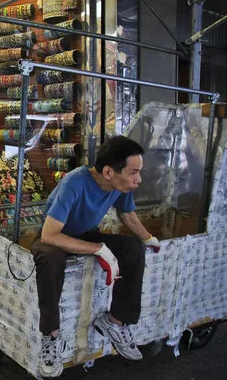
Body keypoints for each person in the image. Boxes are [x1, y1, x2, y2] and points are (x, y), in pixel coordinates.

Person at [31, 136, 161, 378]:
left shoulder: (118, 186)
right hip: (57, 237)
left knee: (133, 248)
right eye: (133, 172)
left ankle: (116, 320)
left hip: (85, 235)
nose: (138, 180)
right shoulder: (74, 183)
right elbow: (50, 235)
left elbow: (127, 214)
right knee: (49, 259)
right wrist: (98, 249)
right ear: (109, 171)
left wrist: (147, 238)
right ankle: (50, 337)